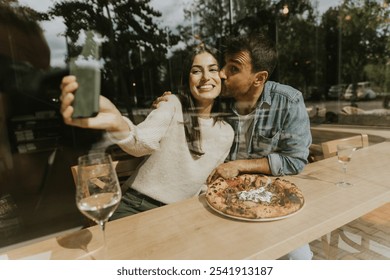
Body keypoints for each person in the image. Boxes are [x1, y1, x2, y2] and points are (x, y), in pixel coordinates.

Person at [154, 33, 313, 259]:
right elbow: (189, 101)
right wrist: (169, 101)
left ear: (259, 78)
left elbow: (295, 160)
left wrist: (239, 165)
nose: (220, 74)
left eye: (233, 69)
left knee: (299, 258)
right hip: (220, 197)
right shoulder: (219, 98)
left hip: (268, 198)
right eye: (224, 65)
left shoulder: (288, 101)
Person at [60, 44, 234, 220]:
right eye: (196, 71)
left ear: (222, 76)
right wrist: (117, 123)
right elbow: (140, 142)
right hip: (137, 206)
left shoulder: (227, 133)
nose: (205, 77)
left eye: (212, 69)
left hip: (178, 215)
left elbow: (205, 184)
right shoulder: (173, 104)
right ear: (187, 79)